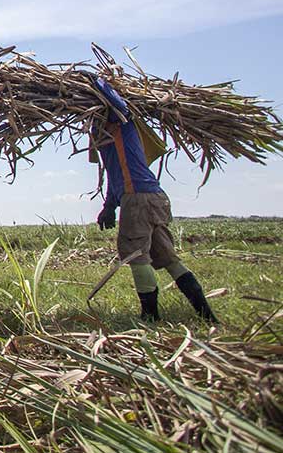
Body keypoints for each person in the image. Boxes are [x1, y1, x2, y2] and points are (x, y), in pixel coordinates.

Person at [92, 77, 217, 323]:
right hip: (151, 197)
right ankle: (206, 316)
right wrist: (109, 206)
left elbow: (116, 102)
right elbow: (114, 174)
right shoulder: (105, 136)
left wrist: (93, 79)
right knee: (167, 257)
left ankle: (151, 317)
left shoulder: (123, 122)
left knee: (135, 255)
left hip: (138, 200)